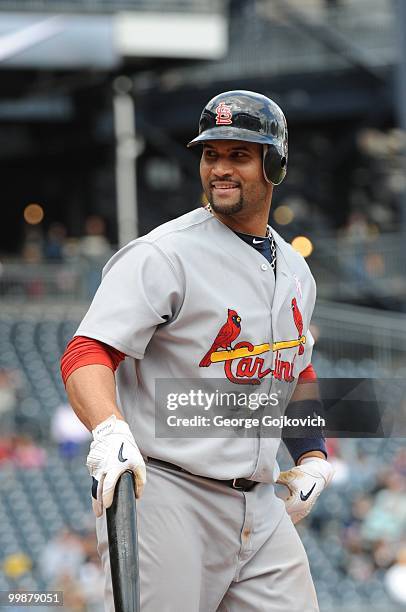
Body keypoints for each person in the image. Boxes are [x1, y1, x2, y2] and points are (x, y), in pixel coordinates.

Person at [61, 90, 334, 612]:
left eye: (239, 155)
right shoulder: (163, 255)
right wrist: (109, 427)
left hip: (260, 504)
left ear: (274, 164)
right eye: (212, 155)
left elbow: (296, 366)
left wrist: (313, 456)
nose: (220, 169)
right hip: (168, 495)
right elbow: (86, 352)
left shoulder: (297, 271)